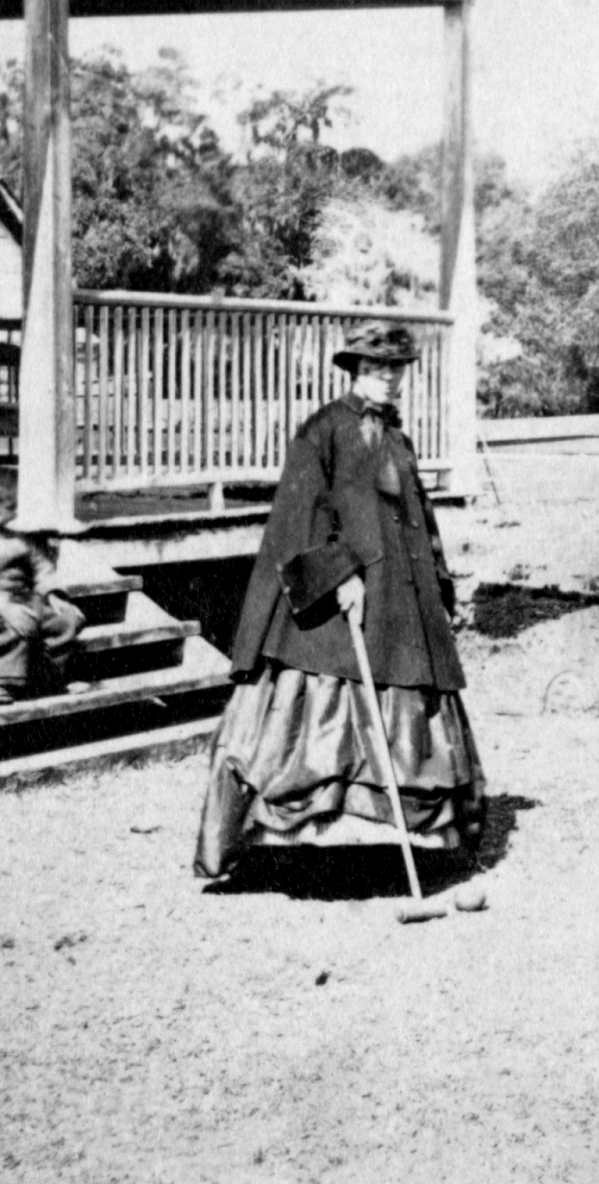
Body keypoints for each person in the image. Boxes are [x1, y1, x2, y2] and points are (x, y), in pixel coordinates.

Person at [194, 322, 484, 880]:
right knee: (322, 697)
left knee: (404, 693)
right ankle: (310, 836)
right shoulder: (323, 430)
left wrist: (440, 585)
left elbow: (419, 519)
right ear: (355, 369)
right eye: (379, 369)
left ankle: (400, 833)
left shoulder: (398, 440)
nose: (390, 379)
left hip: (401, 602)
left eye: (397, 369)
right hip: (337, 604)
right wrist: (337, 576)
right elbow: (301, 515)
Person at [0, 466, 84, 704]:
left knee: (67, 620)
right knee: (16, 629)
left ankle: (51, 677)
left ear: (11, 510)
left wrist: (53, 594)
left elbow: (42, 569)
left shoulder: (20, 541)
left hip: (23, 600)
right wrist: (4, 607)